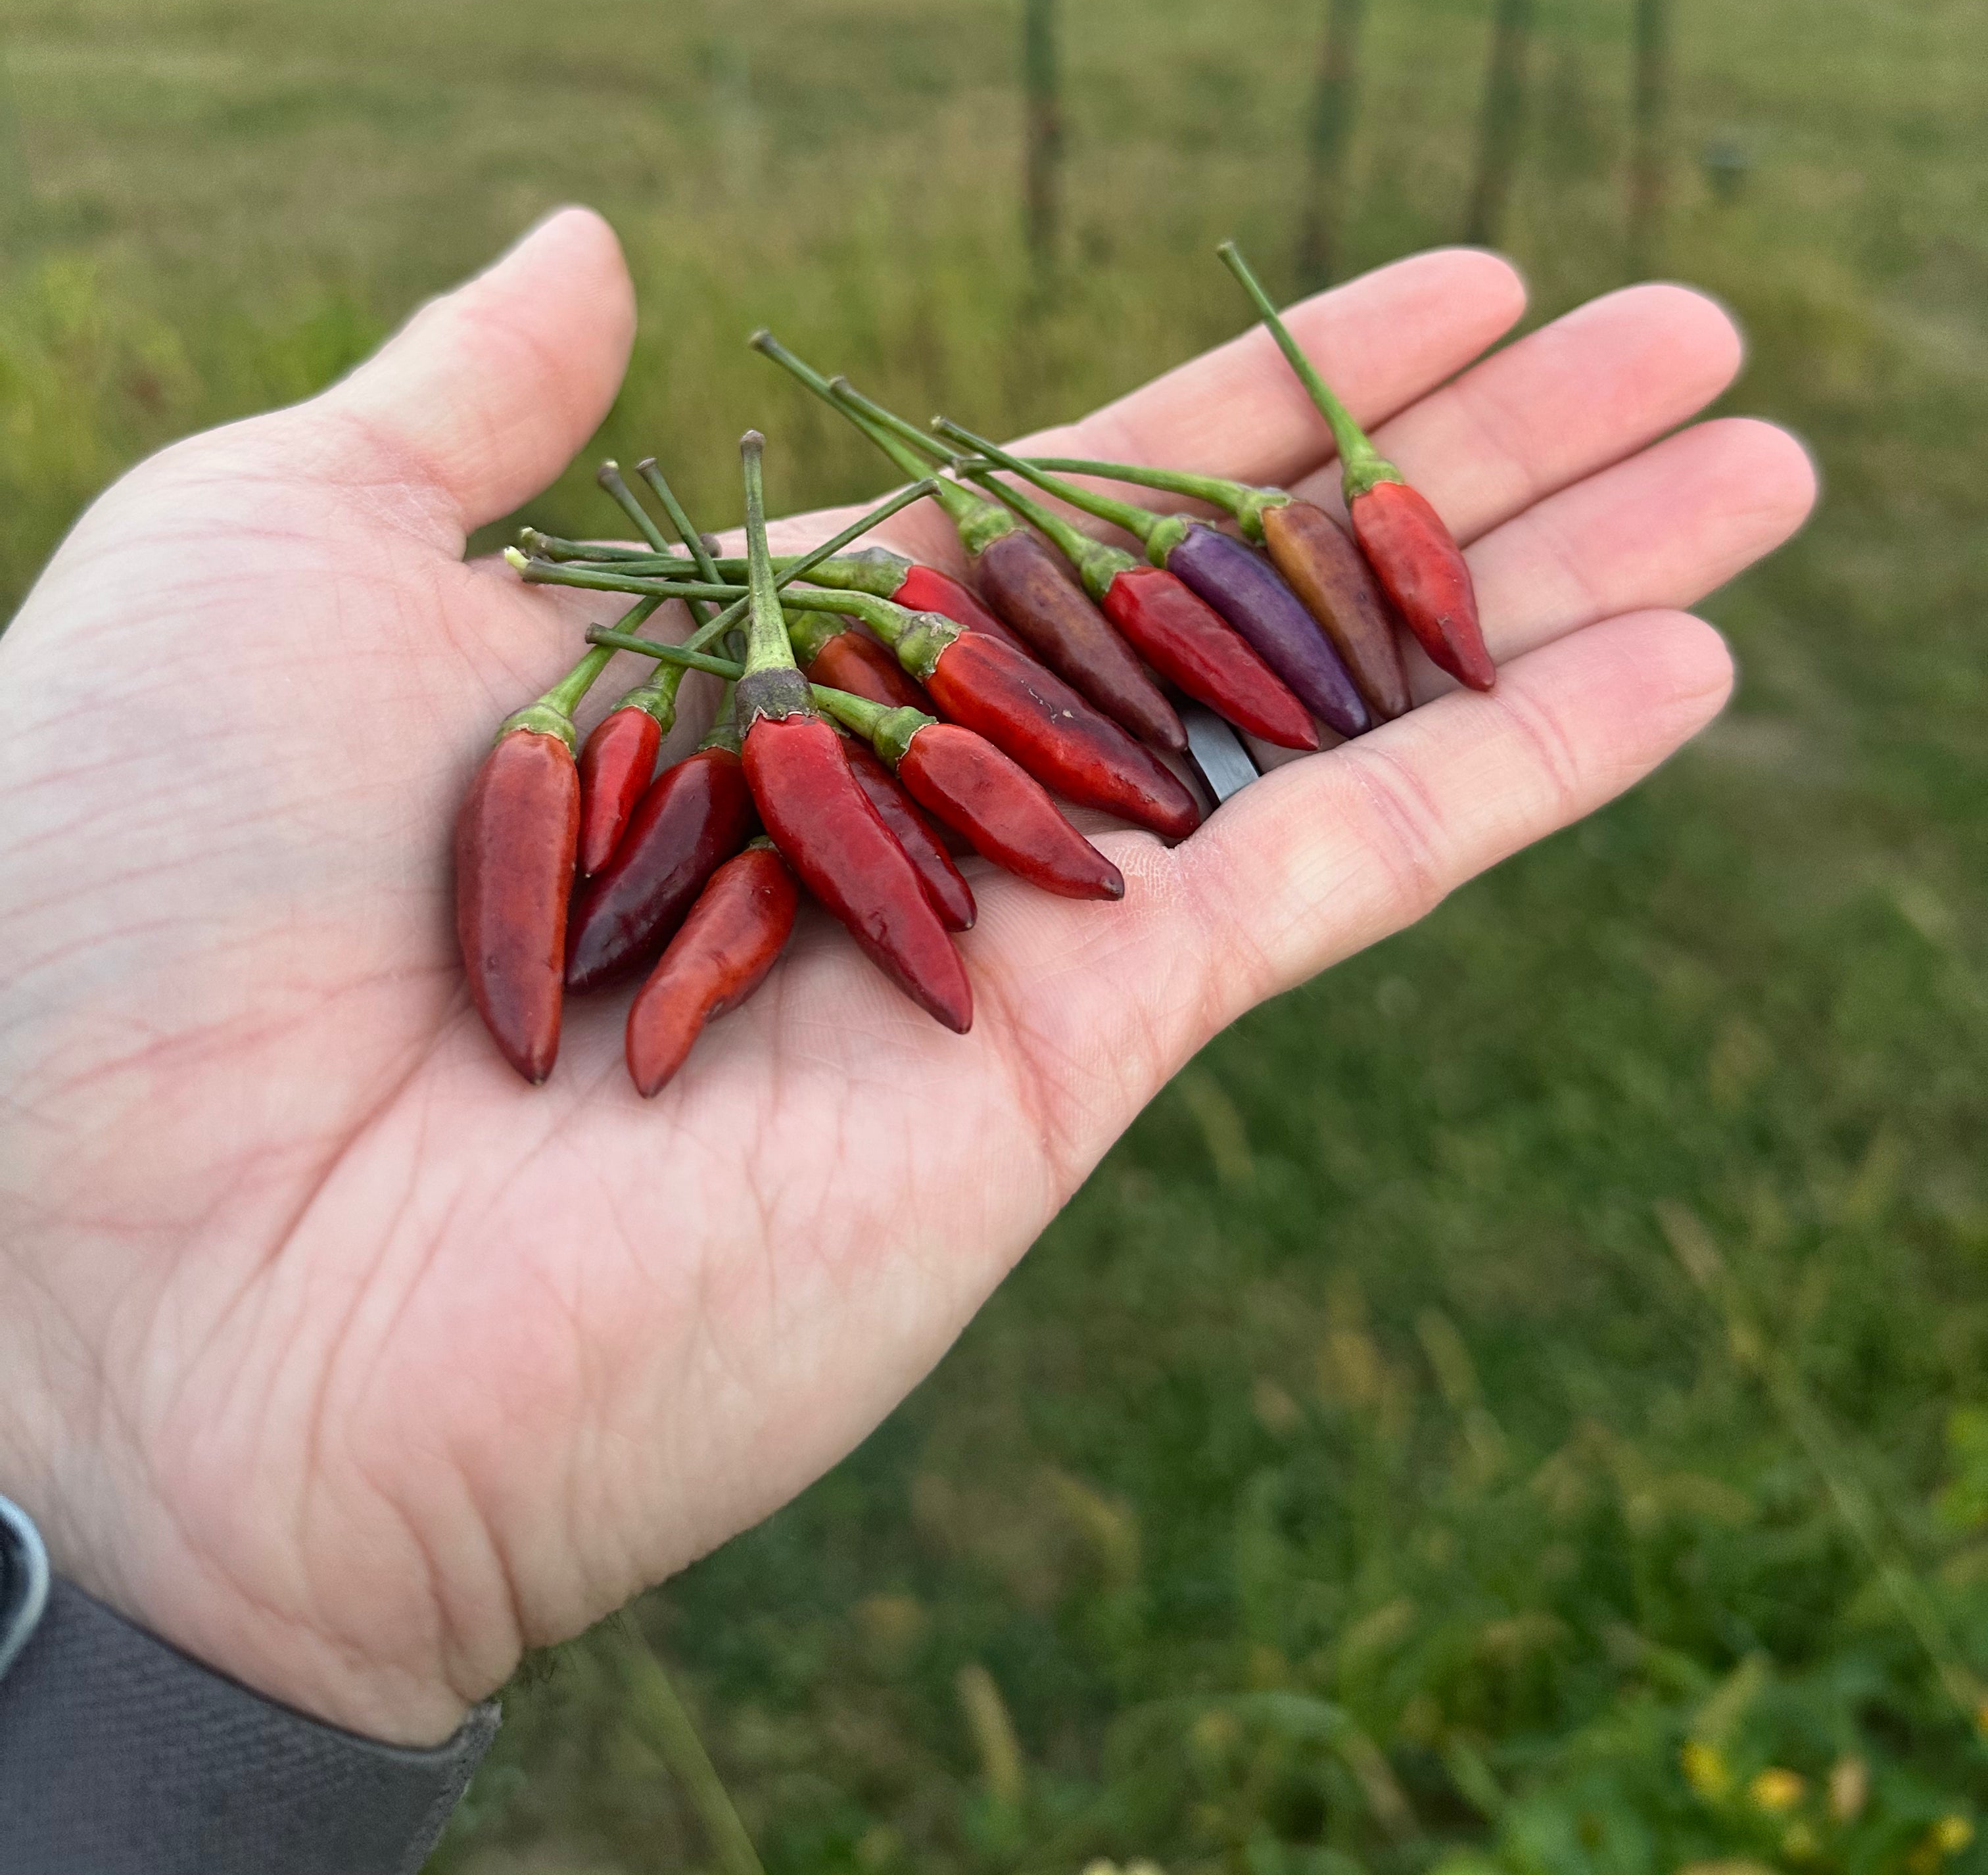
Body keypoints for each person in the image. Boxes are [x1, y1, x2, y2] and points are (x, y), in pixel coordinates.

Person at [0, 210, 1813, 1872]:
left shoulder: (880, 706)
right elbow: (794, 880)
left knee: (960, 776)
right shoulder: (707, 779)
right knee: (789, 823)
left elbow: (1038, 781)